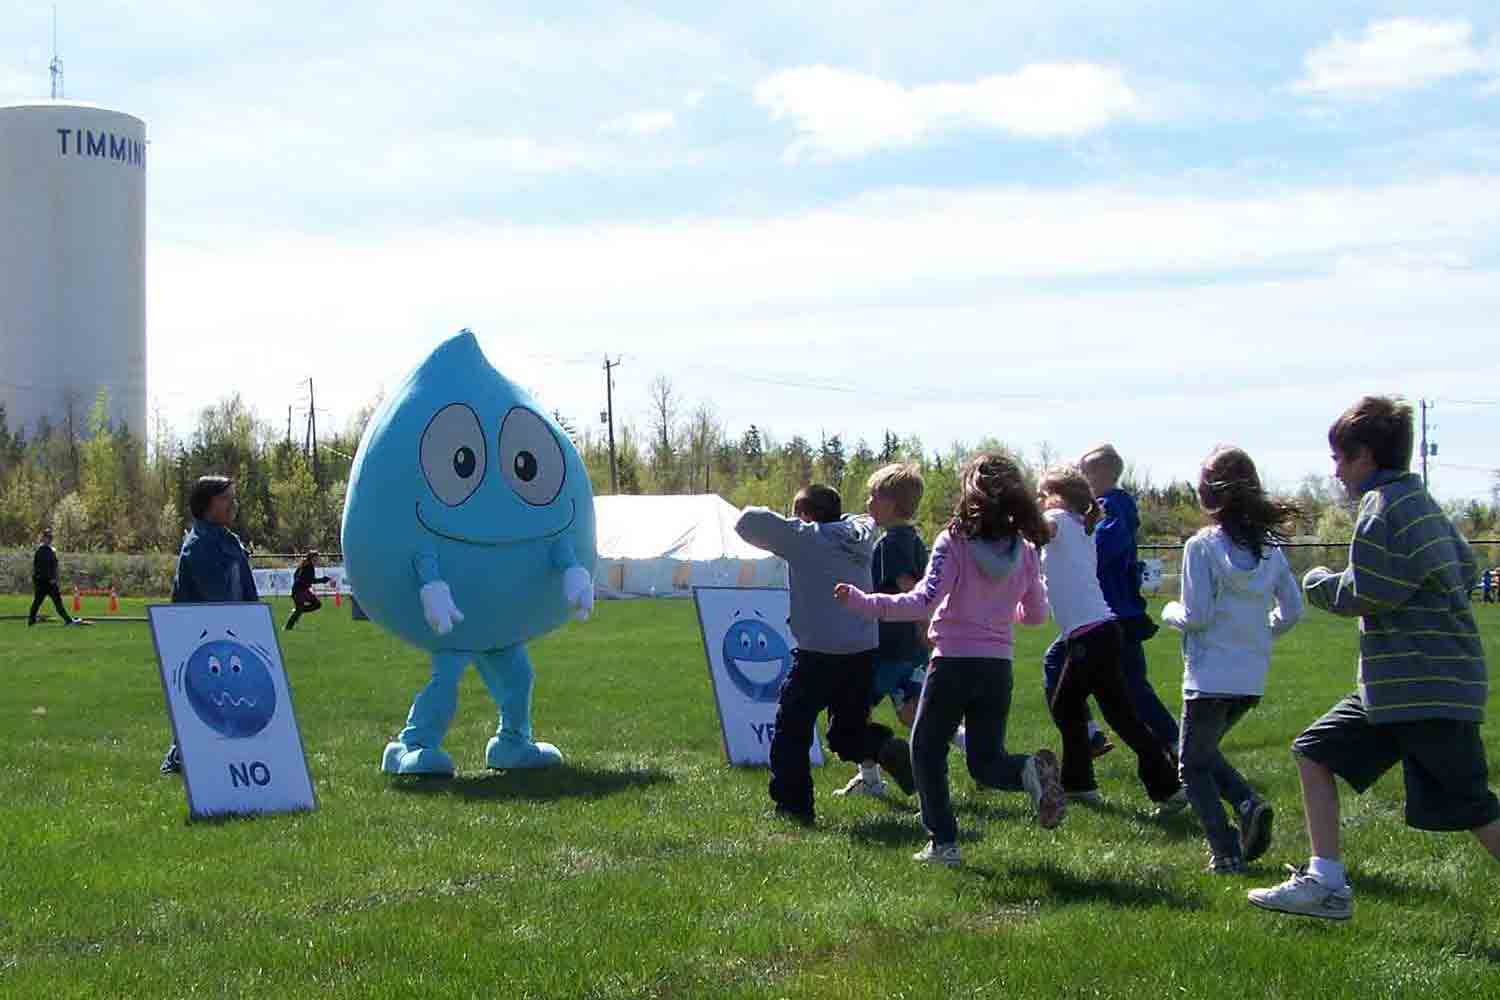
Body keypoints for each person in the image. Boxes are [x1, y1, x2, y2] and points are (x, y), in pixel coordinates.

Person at [1249, 397, 1499, 920]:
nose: (1336, 472)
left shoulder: (1383, 507)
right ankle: (1328, 884)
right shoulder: (1423, 503)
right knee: (1314, 750)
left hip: (1424, 687)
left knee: (1474, 808)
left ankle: (1327, 883)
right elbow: (1461, 565)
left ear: (1367, 456)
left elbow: (1366, 592)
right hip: (1398, 688)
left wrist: (1315, 583)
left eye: (1341, 459)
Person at [836, 453, 1065, 865]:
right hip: (998, 668)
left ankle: (944, 844)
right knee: (986, 762)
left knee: (925, 751)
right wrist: (999, 612)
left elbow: (922, 600)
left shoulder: (954, 540)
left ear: (970, 492)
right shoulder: (1026, 549)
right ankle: (1028, 770)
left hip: (953, 664)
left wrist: (862, 602)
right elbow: (1035, 615)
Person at [735, 484, 915, 825]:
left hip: (817, 654)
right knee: (845, 736)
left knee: (791, 731)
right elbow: (861, 518)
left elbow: (746, 522)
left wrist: (793, 525)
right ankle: (881, 747)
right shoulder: (861, 531)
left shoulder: (803, 538)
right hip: (862, 651)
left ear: (806, 515)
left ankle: (794, 806)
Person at [1162, 447, 1304, 874]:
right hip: (1250, 678)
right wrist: (1261, 631)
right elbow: (1292, 610)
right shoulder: (1269, 549)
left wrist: (1169, 613)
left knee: (1191, 767)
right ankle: (1247, 803)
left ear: (1208, 495)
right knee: (1203, 754)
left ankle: (1226, 852)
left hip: (1208, 678)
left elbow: (1197, 615)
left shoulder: (1201, 547)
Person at [1037, 466, 1185, 813]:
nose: (1039, 501)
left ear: (1056, 497)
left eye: (1041, 495)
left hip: (1092, 635)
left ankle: (1165, 787)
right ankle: (1082, 785)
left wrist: (1010, 517)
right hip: (1097, 633)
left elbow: (1040, 529)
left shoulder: (1058, 519)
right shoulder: (1080, 527)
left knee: (1116, 717)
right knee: (1076, 707)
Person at [834, 464, 930, 798]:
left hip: (889, 646)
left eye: (873, 495)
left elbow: (910, 589)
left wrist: (923, 627)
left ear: (891, 504)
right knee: (911, 714)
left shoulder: (891, 544)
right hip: (910, 647)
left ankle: (871, 779)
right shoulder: (915, 538)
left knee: (852, 710)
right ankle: (977, 753)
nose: (868, 501)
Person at [160, 475, 261, 775]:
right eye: (226, 498)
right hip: (204, 636)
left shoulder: (228, 541)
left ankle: (207, 754)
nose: (234, 504)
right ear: (207, 504)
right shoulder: (199, 546)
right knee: (205, 697)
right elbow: (215, 599)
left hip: (232, 633)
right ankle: (179, 756)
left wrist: (255, 625)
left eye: (234, 497)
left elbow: (246, 592)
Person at [27, 527, 79, 626]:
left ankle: (32, 620)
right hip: (45, 582)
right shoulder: (42, 551)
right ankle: (32, 620)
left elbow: (53, 566)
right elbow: (43, 568)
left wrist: (54, 577)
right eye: (47, 537)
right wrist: (51, 579)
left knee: (53, 602)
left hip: (47, 581)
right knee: (40, 602)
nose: (49, 539)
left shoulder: (49, 551)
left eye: (50, 537)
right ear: (43, 538)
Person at [284, 551, 331, 631]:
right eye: (316, 558)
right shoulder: (309, 567)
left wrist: (299, 582)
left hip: (299, 589)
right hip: (300, 591)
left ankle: (289, 625)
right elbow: (311, 580)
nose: (318, 560)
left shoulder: (304, 565)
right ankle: (288, 626)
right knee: (316, 604)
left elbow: (295, 575)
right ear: (312, 558)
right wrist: (324, 579)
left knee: (306, 607)